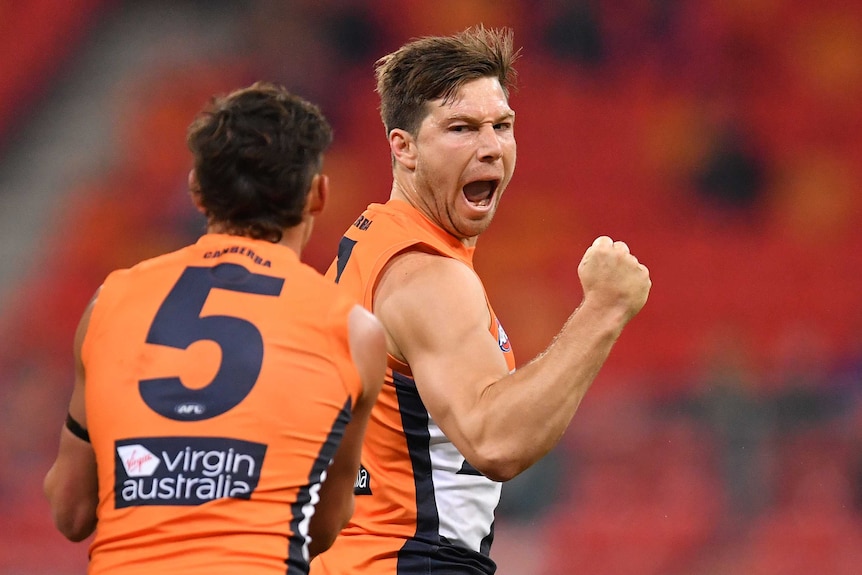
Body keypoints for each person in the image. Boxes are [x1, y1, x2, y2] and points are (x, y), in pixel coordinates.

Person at [310, 26, 651, 575]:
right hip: (412, 561)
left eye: (502, 126)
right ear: (404, 147)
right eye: (461, 129)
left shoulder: (369, 245)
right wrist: (604, 310)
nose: (490, 146)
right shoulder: (424, 274)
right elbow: (494, 442)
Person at [43, 82, 386, 574]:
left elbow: (71, 508)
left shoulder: (109, 302)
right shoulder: (355, 331)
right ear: (318, 194)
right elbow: (323, 526)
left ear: (196, 191)